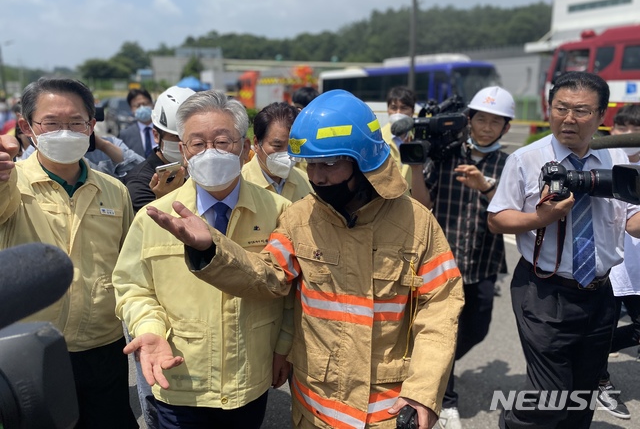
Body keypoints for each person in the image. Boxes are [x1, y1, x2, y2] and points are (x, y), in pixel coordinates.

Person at [145, 89, 465, 429]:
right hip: (317, 410)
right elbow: (268, 276)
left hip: (388, 410)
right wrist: (212, 249)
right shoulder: (300, 219)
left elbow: (441, 308)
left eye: (329, 163)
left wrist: (423, 390)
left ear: (364, 160)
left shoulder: (416, 225)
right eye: (311, 164)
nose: (317, 177)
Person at [112, 90, 294, 429]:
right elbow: (132, 286)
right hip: (180, 380)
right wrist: (149, 329)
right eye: (198, 144)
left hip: (248, 379)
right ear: (183, 151)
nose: (210, 152)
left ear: (244, 148)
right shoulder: (156, 217)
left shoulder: (279, 213)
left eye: (223, 141)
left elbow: (288, 290)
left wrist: (283, 347)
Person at [487, 72, 640, 429]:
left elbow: (632, 221)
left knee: (582, 395)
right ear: (549, 109)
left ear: (601, 115)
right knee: (548, 398)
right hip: (545, 291)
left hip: (601, 294)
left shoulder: (616, 159)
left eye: (582, 111)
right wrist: (542, 217)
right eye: (561, 108)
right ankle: (514, 421)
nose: (569, 118)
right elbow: (497, 219)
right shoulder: (526, 159)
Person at [0, 77, 137, 428]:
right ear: (28, 127)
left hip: (103, 347)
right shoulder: (11, 183)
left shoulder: (114, 191)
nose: (65, 132)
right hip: (29, 351)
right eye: (51, 122)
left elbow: (129, 266)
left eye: (76, 122)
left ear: (91, 126)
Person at [417, 86, 514, 429]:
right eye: (481, 119)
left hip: (484, 260)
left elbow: (513, 212)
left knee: (479, 326)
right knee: (448, 331)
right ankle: (446, 399)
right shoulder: (446, 153)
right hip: (443, 262)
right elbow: (421, 200)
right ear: (468, 120)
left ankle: (429, 365)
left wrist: (485, 187)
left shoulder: (508, 162)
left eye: (495, 122)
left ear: (506, 128)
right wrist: (415, 162)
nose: (486, 127)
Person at [596, 103, 640, 420]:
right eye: (621, 128)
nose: (627, 136)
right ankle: (600, 381)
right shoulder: (602, 166)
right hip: (609, 269)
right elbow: (628, 225)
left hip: (637, 270)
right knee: (603, 325)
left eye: (634, 130)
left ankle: (588, 349)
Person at [125, 85, 195, 212]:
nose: (183, 144)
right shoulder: (140, 182)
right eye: (176, 137)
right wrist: (164, 200)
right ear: (156, 136)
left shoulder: (203, 170)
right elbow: (145, 229)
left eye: (194, 138)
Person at [242, 102, 312, 201]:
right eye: (277, 146)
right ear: (257, 143)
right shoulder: (240, 184)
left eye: (292, 146)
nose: (286, 154)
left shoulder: (307, 183)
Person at [119, 87, 156, 158]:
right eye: (137, 106)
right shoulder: (125, 134)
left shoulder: (163, 130)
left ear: (152, 105)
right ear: (131, 109)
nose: (142, 108)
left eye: (145, 104)